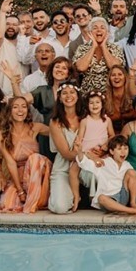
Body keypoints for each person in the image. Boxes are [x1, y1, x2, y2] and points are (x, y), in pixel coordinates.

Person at [0, 96, 51, 213]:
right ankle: (30, 199)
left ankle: (32, 202)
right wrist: (20, 190)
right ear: (9, 111)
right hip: (19, 177)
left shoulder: (35, 127)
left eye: (24, 107)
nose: (20, 110)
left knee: (34, 158)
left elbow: (58, 133)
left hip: (40, 173)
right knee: (8, 205)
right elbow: (10, 163)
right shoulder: (1, 135)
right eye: (15, 107)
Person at [82, 135, 136, 215]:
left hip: (123, 196)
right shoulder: (104, 163)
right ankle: (132, 211)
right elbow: (85, 163)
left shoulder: (127, 164)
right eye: (119, 149)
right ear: (111, 151)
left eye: (125, 148)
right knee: (101, 198)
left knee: (132, 172)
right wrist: (83, 153)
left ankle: (133, 204)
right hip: (109, 199)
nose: (123, 152)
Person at [47, 83, 86, 213]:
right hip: (64, 166)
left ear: (78, 96)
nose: (69, 96)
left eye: (72, 92)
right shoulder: (55, 122)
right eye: (64, 93)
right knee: (60, 207)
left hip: (85, 166)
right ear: (59, 97)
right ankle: (60, 196)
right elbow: (66, 153)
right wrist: (84, 154)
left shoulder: (86, 117)